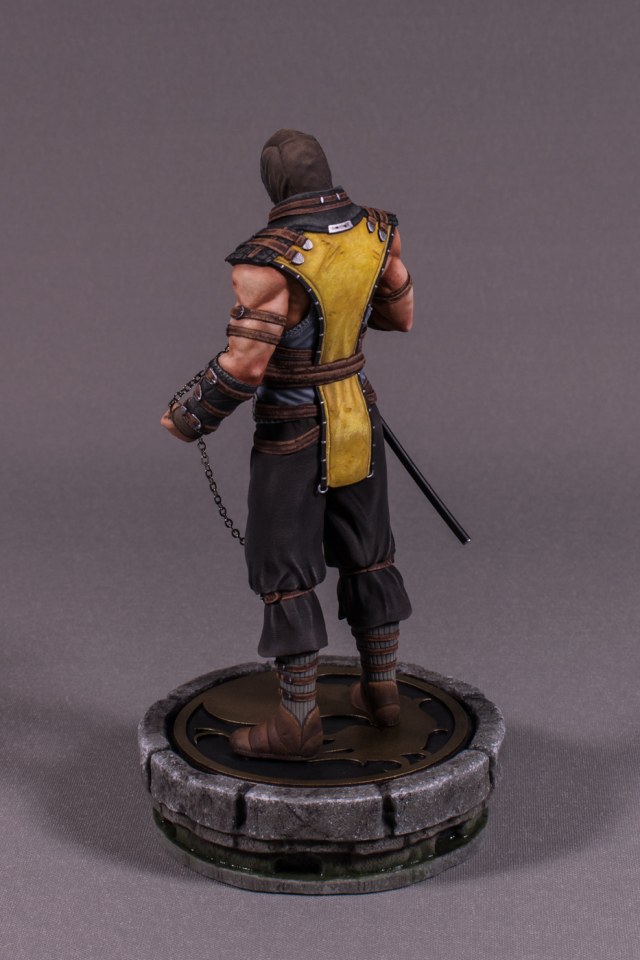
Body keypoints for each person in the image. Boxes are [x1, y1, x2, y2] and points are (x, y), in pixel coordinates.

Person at [161, 129, 414, 761]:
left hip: (293, 429)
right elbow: (399, 315)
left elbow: (245, 366)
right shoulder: (377, 232)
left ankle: (297, 722)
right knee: (369, 554)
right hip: (358, 414)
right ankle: (382, 692)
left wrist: (189, 416)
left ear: (274, 184)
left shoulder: (266, 261)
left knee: (286, 567)